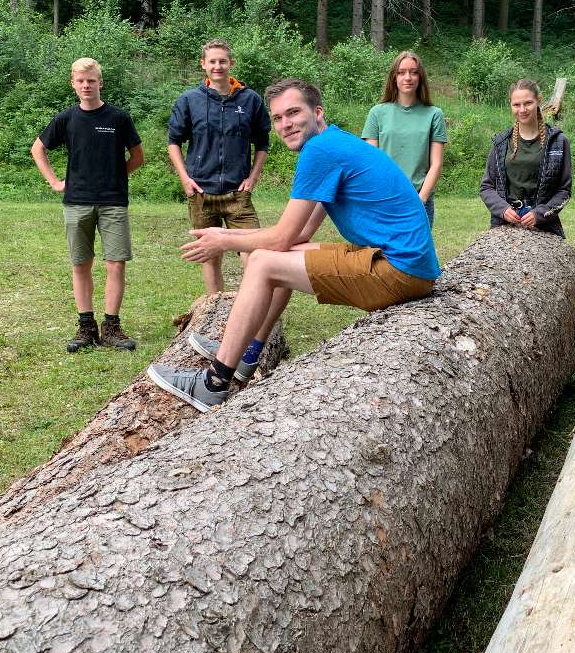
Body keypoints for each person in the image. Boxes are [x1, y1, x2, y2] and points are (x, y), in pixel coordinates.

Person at [147, 78, 439, 412]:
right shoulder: (334, 142)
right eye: (278, 118)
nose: (285, 124)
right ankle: (246, 354)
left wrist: (223, 238)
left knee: (263, 263)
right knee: (272, 256)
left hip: (400, 271)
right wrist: (239, 239)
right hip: (405, 266)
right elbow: (295, 237)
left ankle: (213, 383)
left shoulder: (320, 151)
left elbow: (283, 237)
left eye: (293, 113)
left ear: (317, 112)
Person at [31, 57, 144, 352]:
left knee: (115, 263)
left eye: (91, 81)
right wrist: (55, 182)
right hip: (77, 202)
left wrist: (115, 176)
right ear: (73, 84)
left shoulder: (118, 118)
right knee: (81, 264)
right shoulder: (66, 119)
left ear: (100, 83)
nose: (86, 86)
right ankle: (86, 327)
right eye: (80, 81)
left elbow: (138, 157)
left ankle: (112, 328)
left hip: (112, 202)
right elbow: (38, 149)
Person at [167, 38, 271, 293]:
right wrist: (185, 179)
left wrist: (253, 178)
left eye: (222, 61)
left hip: (238, 194)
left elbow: (262, 144)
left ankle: (250, 309)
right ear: (203, 64)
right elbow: (173, 142)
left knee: (253, 252)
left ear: (231, 63)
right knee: (211, 257)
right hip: (201, 192)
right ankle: (214, 310)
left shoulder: (250, 100)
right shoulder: (189, 100)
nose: (218, 66)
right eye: (212, 61)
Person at [361, 51, 448, 226]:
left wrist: (420, 199)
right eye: (401, 72)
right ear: (394, 77)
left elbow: (436, 164)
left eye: (413, 72)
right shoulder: (377, 113)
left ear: (420, 77)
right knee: (383, 252)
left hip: (420, 199)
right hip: (384, 199)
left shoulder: (434, 114)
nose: (407, 77)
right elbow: (372, 162)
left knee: (416, 253)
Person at [479, 79, 572, 237]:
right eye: (516, 105)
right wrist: (503, 210)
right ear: (511, 105)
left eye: (528, 103)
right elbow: (486, 187)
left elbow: (564, 190)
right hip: (504, 224)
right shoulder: (501, 142)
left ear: (539, 101)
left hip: (546, 226)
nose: (522, 109)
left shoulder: (558, 142)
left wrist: (540, 214)